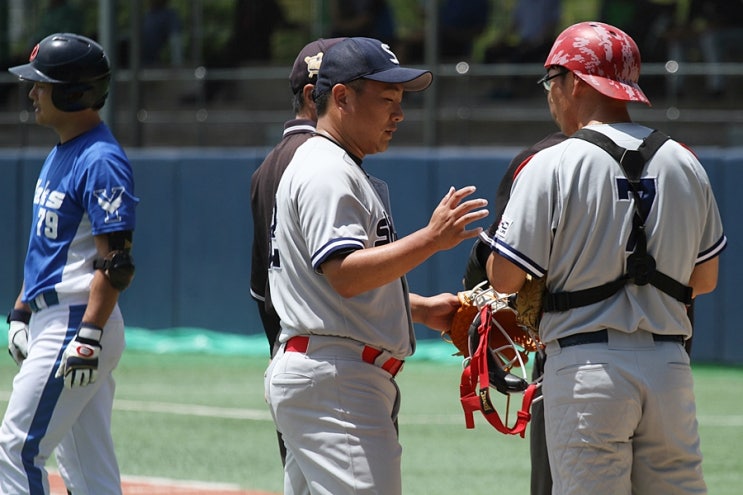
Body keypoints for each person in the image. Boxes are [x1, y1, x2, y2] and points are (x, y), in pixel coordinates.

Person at [481, 21, 726, 493]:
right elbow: (706, 279)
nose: (550, 95)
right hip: (669, 366)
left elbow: (505, 279)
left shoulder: (550, 163)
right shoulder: (684, 160)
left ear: (575, 82)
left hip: (586, 368)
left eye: (551, 81)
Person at [264, 37, 488, 495]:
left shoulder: (330, 164)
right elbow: (345, 274)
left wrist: (418, 309)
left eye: (401, 100)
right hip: (337, 381)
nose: (399, 114)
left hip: (325, 372)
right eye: (387, 99)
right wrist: (431, 239)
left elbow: (328, 285)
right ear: (341, 97)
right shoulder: (327, 170)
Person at [1, 33, 138, 495]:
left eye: (42, 84)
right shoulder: (63, 151)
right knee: (87, 470)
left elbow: (115, 262)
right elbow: (49, 246)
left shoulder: (101, 158)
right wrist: (22, 310)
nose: (32, 93)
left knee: (16, 450)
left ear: (73, 92)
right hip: (60, 319)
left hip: (77, 320)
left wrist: (90, 333)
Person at [249, 36, 346, 467]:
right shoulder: (320, 161)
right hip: (330, 368)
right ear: (313, 95)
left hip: (293, 357)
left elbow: (261, 288)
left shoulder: (269, 165)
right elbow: (343, 278)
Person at [141, 0, 184, 67]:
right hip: (136, 59)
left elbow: (175, 39)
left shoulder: (169, 15)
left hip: (147, 62)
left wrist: (177, 63)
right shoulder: (147, 15)